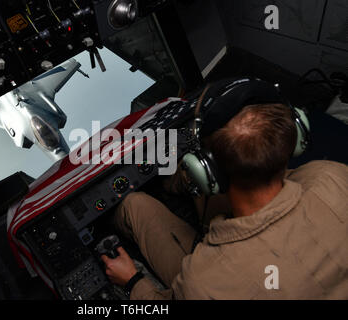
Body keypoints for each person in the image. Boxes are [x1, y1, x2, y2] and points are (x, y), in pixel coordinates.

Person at [100, 79, 348, 299]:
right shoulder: (331, 175)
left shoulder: (201, 283)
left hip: (225, 268)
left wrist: (132, 282)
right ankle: (172, 183)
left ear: (207, 171)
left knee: (133, 204)